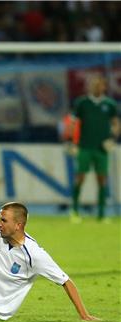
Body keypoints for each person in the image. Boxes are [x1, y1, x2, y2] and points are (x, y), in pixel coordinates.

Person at [70, 75, 120, 223]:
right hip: (84, 146)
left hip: (101, 149)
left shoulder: (109, 104)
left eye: (99, 85)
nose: (96, 87)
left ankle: (102, 213)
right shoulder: (82, 103)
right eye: (94, 85)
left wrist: (112, 138)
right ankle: (74, 211)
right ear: (89, 87)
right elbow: (73, 123)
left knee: (102, 179)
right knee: (80, 178)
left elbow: (116, 123)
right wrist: (72, 141)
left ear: (104, 87)